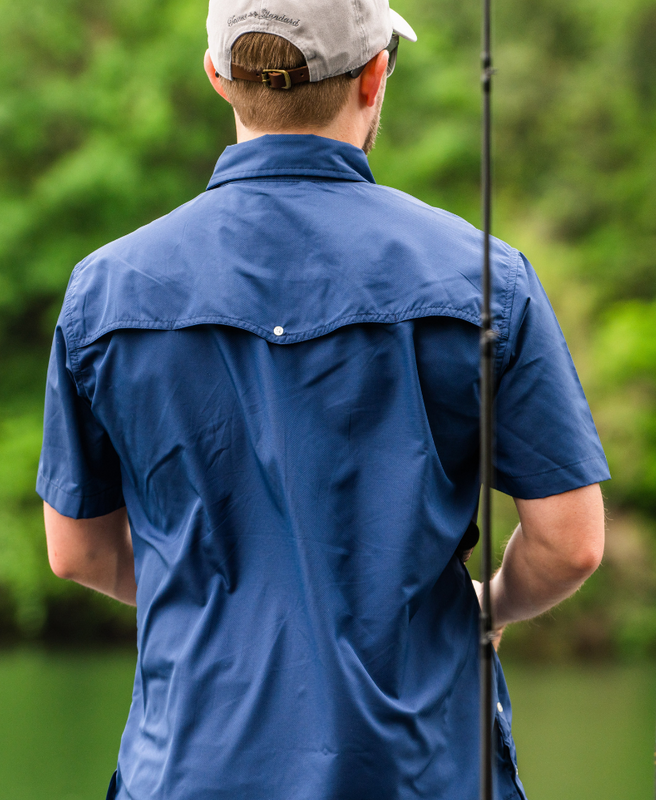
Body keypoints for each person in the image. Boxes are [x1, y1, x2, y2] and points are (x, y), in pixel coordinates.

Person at [37, 1, 609, 798]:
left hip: (187, 774)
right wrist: (489, 604)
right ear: (375, 74)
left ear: (217, 77)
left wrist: (213, 594)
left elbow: (78, 551)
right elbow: (570, 544)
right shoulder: (486, 277)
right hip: (420, 776)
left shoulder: (106, 289)